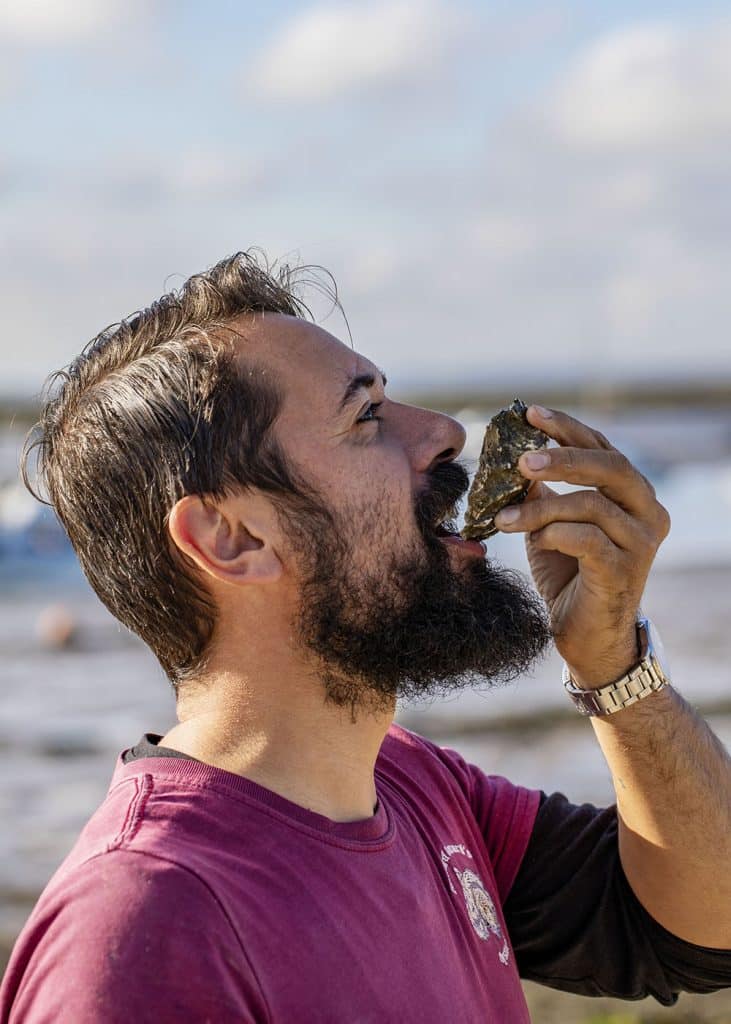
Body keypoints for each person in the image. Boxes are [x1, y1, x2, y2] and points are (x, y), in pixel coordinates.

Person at [1, 252, 729, 1023]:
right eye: (366, 417)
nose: (447, 434)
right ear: (232, 537)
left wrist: (612, 659)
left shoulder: (413, 787)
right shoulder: (143, 929)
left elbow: (697, 924)